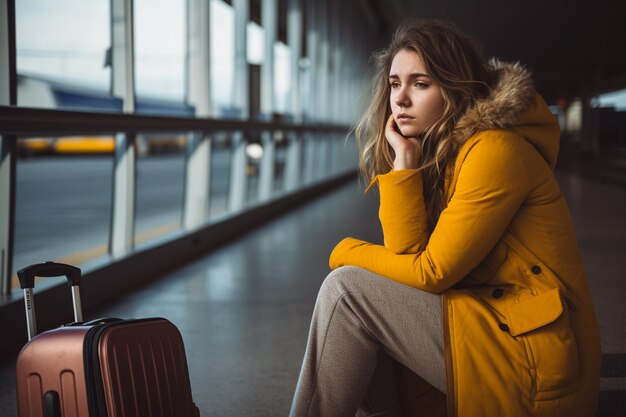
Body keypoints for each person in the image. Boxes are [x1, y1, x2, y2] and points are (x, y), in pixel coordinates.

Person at [289, 19, 601, 417]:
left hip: (539, 361)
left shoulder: (495, 151)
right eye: (395, 83)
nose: (400, 99)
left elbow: (431, 272)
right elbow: (408, 256)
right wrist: (404, 166)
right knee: (364, 301)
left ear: (454, 89)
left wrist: (345, 251)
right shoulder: (441, 156)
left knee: (347, 292)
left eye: (420, 84)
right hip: (495, 324)